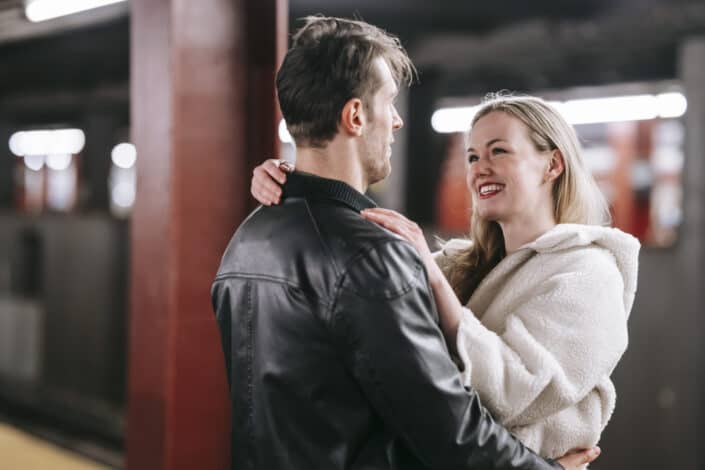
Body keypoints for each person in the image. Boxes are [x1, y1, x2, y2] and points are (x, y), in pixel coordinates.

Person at [214, 15, 599, 470]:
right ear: (356, 116)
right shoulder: (372, 258)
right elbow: (450, 433)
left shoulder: (246, 240)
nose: (397, 122)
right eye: (389, 103)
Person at [251, 94, 639, 463]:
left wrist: (433, 279)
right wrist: (294, 183)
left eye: (498, 151)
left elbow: (515, 387)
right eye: (472, 156)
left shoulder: (590, 274)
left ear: (552, 165)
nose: (479, 167)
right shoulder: (460, 264)